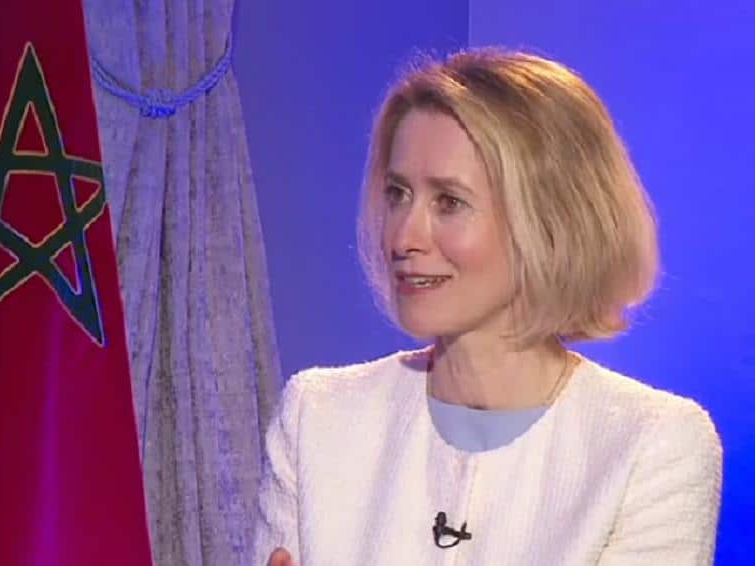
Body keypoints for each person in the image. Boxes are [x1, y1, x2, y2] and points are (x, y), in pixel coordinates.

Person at [251, 48, 723, 565]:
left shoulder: (652, 444)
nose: (404, 236)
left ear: (550, 222)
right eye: (398, 194)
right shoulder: (316, 416)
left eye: (449, 202)